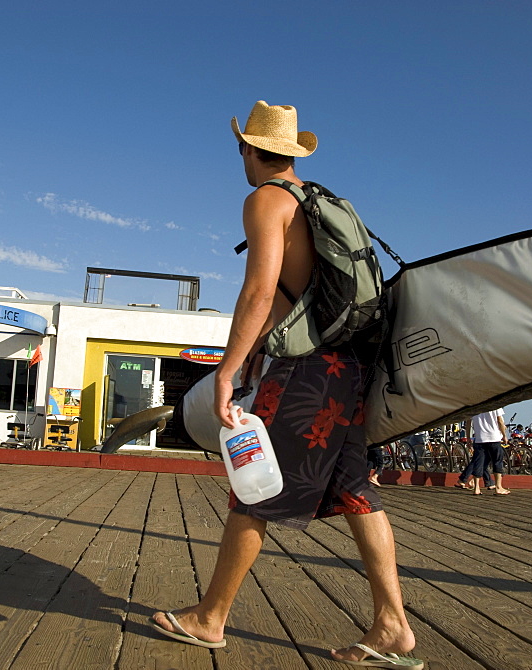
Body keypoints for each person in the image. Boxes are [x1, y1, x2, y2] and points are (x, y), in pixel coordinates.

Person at [150, 101, 421, 668]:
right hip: (350, 366)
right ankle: (393, 626)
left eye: (241, 150)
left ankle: (210, 617)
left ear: (250, 149)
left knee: (254, 478)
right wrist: (258, 352)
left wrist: (227, 368)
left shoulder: (265, 199)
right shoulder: (324, 201)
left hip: (310, 369)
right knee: (355, 490)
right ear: (293, 151)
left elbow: (259, 288)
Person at [468, 408, 510, 495]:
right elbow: (500, 421)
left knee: (478, 463)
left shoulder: (474, 405)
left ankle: (476, 488)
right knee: (497, 462)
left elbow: (468, 422)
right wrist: (504, 435)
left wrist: (468, 437)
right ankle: (498, 487)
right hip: (494, 438)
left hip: (479, 439)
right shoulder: (496, 406)